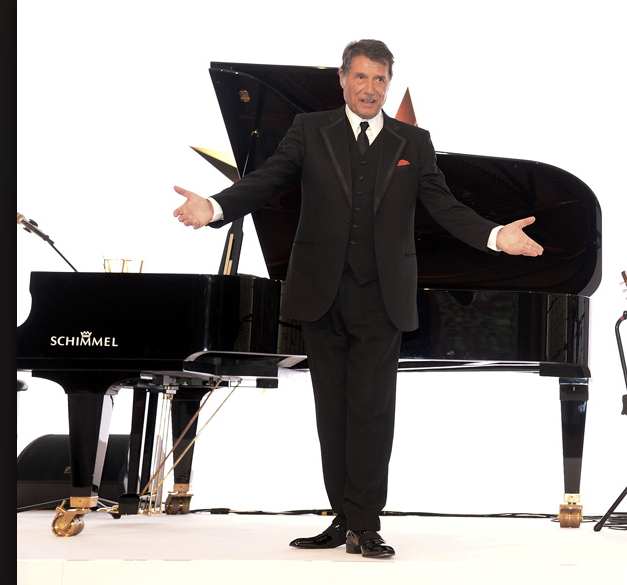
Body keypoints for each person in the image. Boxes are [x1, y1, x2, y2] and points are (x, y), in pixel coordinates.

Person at [172, 39, 543, 558]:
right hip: (320, 293)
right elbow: (267, 180)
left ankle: (366, 524)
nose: (370, 88)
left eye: (380, 79)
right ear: (343, 79)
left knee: (371, 411)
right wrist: (214, 207)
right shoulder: (309, 129)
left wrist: (495, 235)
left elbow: (444, 204)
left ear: (389, 84)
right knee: (333, 413)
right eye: (362, 77)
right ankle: (342, 519)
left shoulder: (413, 140)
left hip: (382, 297)